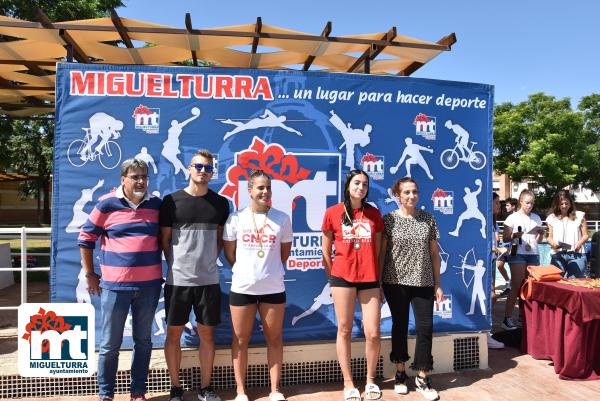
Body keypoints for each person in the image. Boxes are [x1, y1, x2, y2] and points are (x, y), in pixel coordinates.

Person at [78, 158, 162, 401]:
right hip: (115, 287)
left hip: (149, 287)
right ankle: (106, 394)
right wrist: (91, 274)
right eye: (135, 176)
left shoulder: (157, 205)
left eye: (144, 177)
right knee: (109, 345)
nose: (140, 181)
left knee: (144, 342)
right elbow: (86, 238)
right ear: (123, 179)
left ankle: (137, 392)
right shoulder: (106, 204)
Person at [159, 150, 230, 401]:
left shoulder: (221, 203)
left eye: (208, 168)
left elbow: (220, 239)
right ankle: (176, 389)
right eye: (198, 166)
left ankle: (205, 388)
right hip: (177, 281)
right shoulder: (171, 201)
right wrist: (177, 267)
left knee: (207, 335)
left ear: (213, 172)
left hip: (208, 282)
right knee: (173, 335)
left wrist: (207, 261)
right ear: (189, 169)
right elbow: (165, 241)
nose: (203, 171)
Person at [223, 170, 293, 401]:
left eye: (268, 188)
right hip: (242, 288)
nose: (265, 192)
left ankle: (275, 389)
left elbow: (283, 254)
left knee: (274, 339)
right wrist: (248, 271)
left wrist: (266, 271)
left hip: (273, 288)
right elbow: (230, 254)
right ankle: (240, 391)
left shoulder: (282, 219)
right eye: (260, 188)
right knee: (240, 340)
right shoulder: (235, 219)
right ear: (250, 190)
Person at [321, 169, 384, 401]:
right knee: (344, 329)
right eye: (357, 183)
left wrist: (377, 280)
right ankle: (348, 383)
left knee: (374, 333)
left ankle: (370, 380)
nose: (361, 187)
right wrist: (333, 277)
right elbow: (325, 250)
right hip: (342, 279)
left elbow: (378, 251)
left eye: (365, 184)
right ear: (348, 185)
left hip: (369, 279)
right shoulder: (333, 212)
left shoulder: (374, 214)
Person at [380, 177, 443, 401]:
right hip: (394, 282)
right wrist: (378, 284)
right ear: (397, 195)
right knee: (399, 326)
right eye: (406, 192)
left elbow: (434, 254)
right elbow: (382, 254)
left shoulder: (428, 219)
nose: (411, 196)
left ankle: (422, 376)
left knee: (425, 328)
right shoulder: (389, 220)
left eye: (414, 192)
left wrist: (437, 284)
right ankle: (400, 373)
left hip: (424, 281)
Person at [502, 189, 543, 330]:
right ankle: (507, 318)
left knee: (530, 286)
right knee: (517, 284)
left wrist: (540, 234)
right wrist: (514, 235)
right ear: (520, 201)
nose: (529, 205)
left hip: (533, 253)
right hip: (517, 252)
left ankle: (523, 317)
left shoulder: (536, 218)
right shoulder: (512, 218)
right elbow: (505, 238)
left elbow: (539, 239)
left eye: (532, 203)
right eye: (527, 203)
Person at [546, 190, 589, 278]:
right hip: (558, 255)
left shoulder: (580, 216)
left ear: (570, 203)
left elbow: (585, 235)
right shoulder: (551, 218)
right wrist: (553, 244)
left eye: (566, 203)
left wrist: (579, 243)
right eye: (561, 204)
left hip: (577, 255)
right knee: (556, 283)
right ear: (557, 204)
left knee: (574, 284)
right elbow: (549, 237)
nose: (564, 206)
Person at [488, 193, 505, 349]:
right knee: (491, 295)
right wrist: (493, 248)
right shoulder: (484, 219)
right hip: (485, 262)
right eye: (497, 202)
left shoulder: (494, 221)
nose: (499, 205)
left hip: (492, 259)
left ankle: (488, 329)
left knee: (492, 295)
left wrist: (498, 248)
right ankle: (486, 331)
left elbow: (496, 241)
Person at [496, 197, 518, 296]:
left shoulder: (518, 218)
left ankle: (510, 287)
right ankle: (508, 281)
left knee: (513, 267)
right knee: (499, 265)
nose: (505, 207)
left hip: (513, 247)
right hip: (505, 246)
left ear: (513, 206)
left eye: (508, 205)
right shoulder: (509, 217)